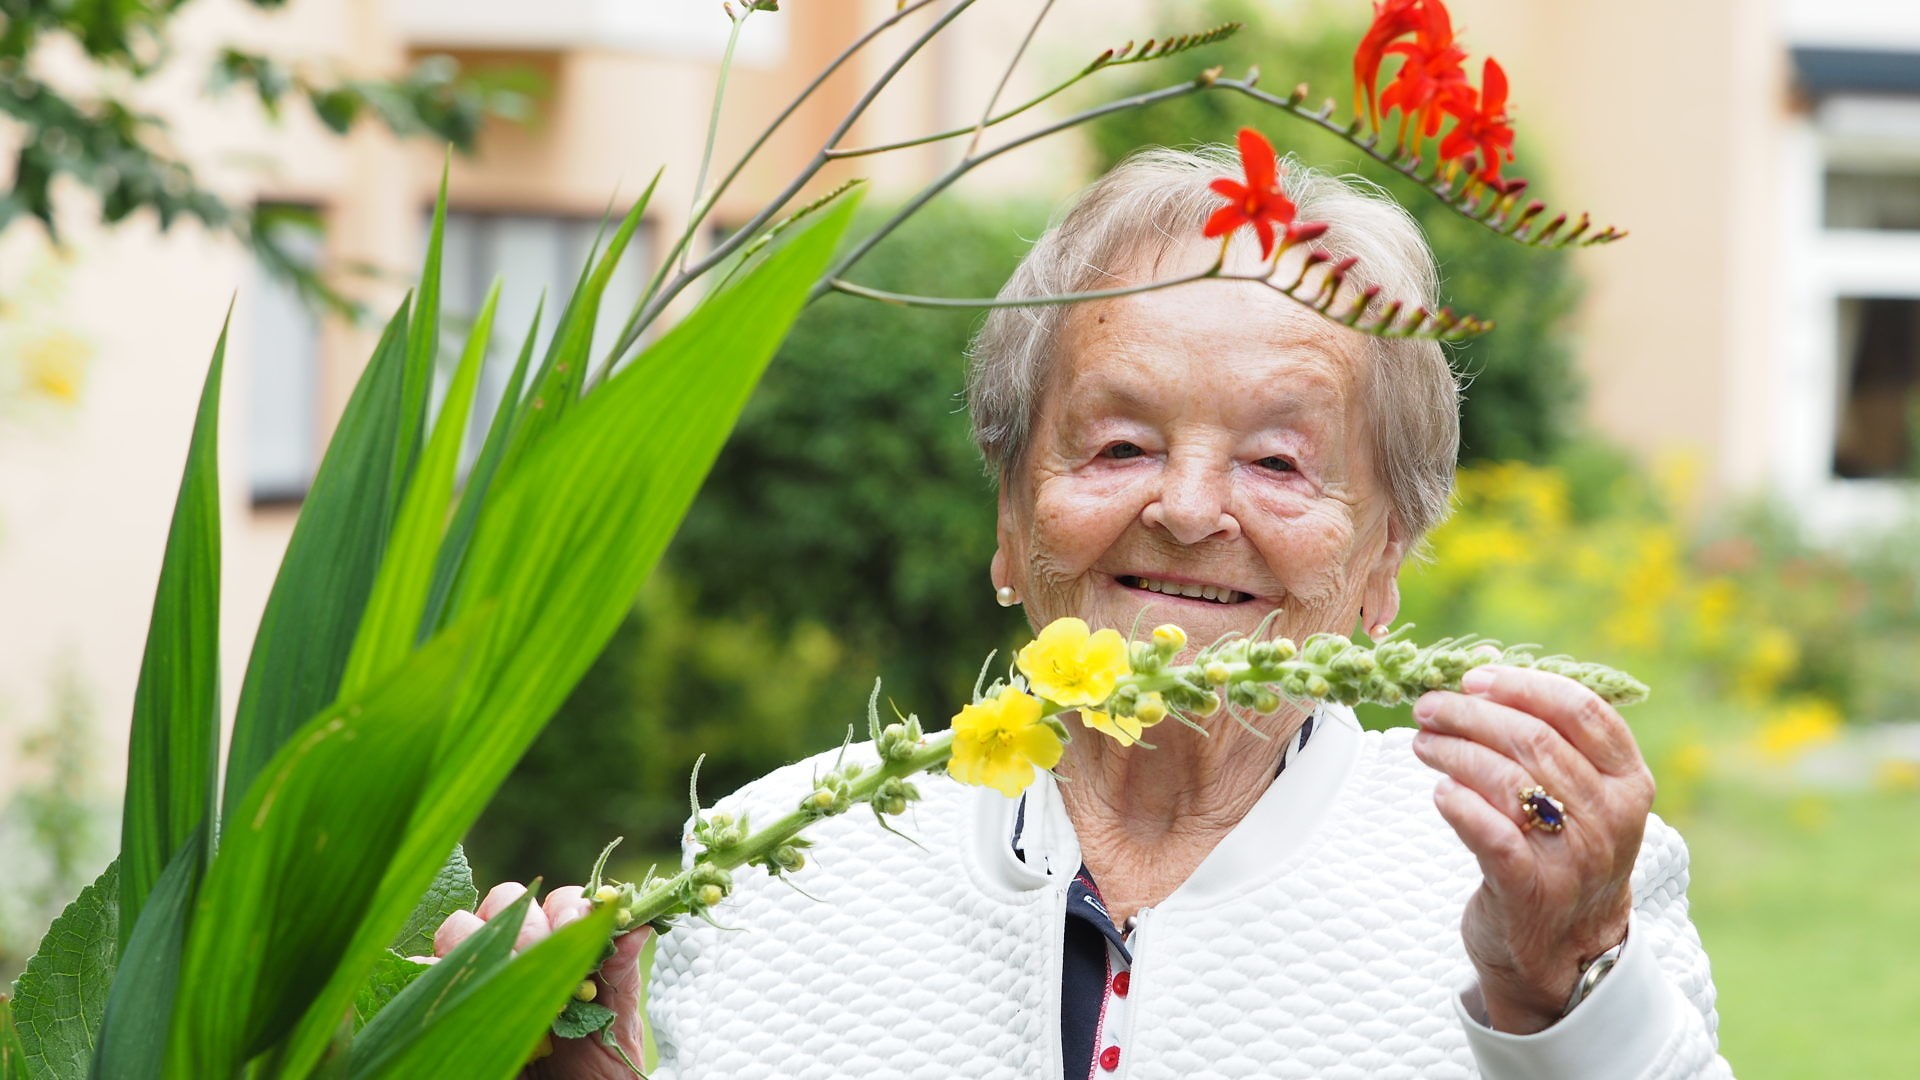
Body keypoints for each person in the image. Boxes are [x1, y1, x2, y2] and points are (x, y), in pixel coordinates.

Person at [439, 146, 1733, 1079]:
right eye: (1118, 446)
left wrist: (1558, 997)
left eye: (1279, 461)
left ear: (1383, 558)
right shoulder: (784, 861)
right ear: (1011, 520)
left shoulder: (1522, 879)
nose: (1187, 508)